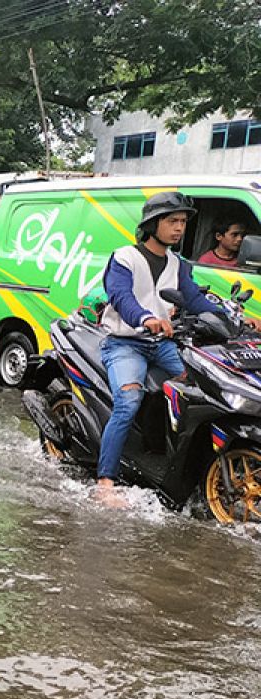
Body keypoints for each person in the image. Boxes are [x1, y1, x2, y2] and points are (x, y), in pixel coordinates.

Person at [95, 192, 260, 500]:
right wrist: (145, 318)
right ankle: (106, 480)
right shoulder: (124, 258)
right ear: (153, 224)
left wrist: (237, 319)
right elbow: (120, 296)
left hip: (165, 343)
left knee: (204, 388)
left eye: (183, 222)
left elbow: (196, 300)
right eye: (172, 221)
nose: (179, 228)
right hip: (125, 344)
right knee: (128, 403)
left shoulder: (178, 264)